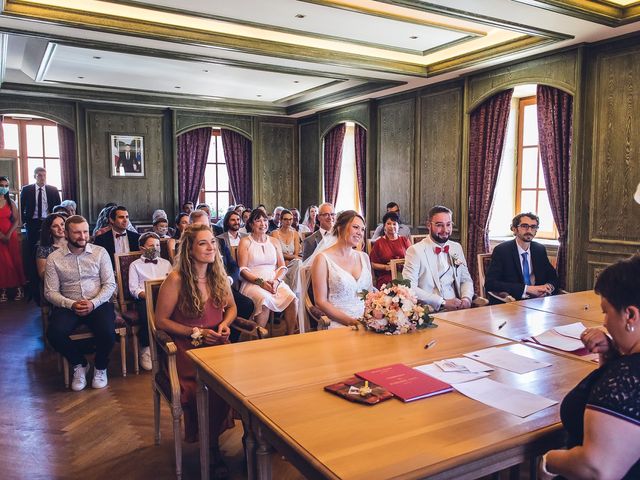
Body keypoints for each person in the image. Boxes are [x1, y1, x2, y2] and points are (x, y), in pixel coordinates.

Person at [538, 256, 640, 480]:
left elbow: (595, 468)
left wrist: (549, 460)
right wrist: (611, 352)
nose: (604, 322)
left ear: (630, 315)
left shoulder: (628, 377)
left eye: (605, 311)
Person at [154, 224, 235, 472]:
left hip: (218, 344)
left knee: (241, 383)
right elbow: (160, 321)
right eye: (203, 243)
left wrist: (224, 325)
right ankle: (209, 447)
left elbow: (232, 307)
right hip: (187, 349)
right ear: (189, 249)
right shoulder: (176, 279)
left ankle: (253, 437)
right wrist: (196, 332)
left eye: (212, 241)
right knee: (207, 388)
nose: (211, 247)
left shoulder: (218, 276)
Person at [45, 215, 117, 391]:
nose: (82, 236)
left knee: (108, 332)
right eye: (77, 233)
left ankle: (100, 367)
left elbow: (110, 284)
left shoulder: (100, 253)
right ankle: (79, 364)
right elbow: (50, 292)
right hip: (69, 304)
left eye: (85, 231)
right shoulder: (54, 258)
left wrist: (93, 303)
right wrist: (70, 304)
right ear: (66, 233)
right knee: (54, 334)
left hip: (98, 302)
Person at [403, 205, 474, 312]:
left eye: (448, 224)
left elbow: (465, 279)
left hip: (458, 310)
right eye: (439, 225)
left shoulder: (456, 247)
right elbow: (409, 287)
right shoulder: (415, 251)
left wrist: (466, 298)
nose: (445, 230)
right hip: (430, 311)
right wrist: (442, 302)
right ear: (428, 225)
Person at [238, 209, 297, 334]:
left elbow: (282, 267)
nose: (262, 223)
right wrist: (261, 283)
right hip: (253, 282)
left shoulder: (274, 241)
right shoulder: (245, 241)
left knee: (293, 299)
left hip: (274, 280)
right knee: (264, 301)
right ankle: (260, 340)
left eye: (265, 220)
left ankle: (290, 335)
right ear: (251, 224)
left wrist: (276, 281)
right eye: (258, 220)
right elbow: (242, 270)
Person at [310, 210, 373, 328]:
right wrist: (351, 322)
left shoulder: (364, 257)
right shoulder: (322, 259)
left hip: (367, 321)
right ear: (340, 228)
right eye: (356, 227)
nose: (360, 233)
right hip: (337, 322)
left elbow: (369, 295)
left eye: (363, 229)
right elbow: (320, 301)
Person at [484, 212, 559, 304]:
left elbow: (553, 277)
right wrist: (527, 289)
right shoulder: (502, 251)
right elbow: (490, 283)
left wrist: (547, 288)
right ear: (514, 229)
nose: (529, 230)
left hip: (538, 302)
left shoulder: (539, 249)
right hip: (511, 304)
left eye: (533, 227)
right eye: (524, 226)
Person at [128, 232, 172, 371]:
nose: (156, 248)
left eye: (158, 245)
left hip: (165, 298)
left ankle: (168, 345)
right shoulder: (135, 265)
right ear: (142, 248)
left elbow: (172, 283)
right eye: (152, 245)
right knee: (146, 313)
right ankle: (146, 347)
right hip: (144, 298)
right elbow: (133, 289)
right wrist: (146, 295)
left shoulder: (166, 263)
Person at [20, 167, 62, 251]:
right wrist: (24, 221)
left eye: (44, 175)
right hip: (32, 222)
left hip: (48, 222)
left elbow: (58, 208)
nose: (42, 178)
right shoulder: (26, 189)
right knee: (32, 247)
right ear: (34, 177)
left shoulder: (53, 190)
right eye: (39, 175)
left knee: (49, 246)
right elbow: (21, 207)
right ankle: (33, 264)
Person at [370, 211, 412, 289]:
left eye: (394, 224)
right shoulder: (379, 243)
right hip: (386, 277)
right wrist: (386, 267)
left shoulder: (404, 240)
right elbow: (373, 264)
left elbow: (413, 258)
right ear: (384, 226)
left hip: (405, 274)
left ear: (398, 226)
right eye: (388, 224)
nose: (391, 226)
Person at [0, 176, 26, 302]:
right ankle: (3, 290)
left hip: (11, 235)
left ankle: (19, 289)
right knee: (3, 263)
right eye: (1, 185)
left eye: (6, 186)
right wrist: (1, 235)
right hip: (0, 236)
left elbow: (16, 220)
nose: (3, 188)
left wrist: (9, 234)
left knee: (15, 261)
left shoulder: (11, 202)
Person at [270, 209, 302, 293]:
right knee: (297, 261)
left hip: (293, 264)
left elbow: (296, 254)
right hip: (279, 264)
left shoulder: (295, 233)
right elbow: (278, 254)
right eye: (285, 219)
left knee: (298, 262)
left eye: (290, 219)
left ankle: (294, 294)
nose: (288, 222)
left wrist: (287, 257)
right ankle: (290, 294)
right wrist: (290, 257)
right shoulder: (275, 233)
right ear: (281, 220)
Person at [36, 213, 67, 280]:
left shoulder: (73, 243)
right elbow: (42, 275)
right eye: (55, 226)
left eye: (62, 224)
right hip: (54, 282)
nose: (60, 228)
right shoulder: (44, 248)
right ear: (49, 229)